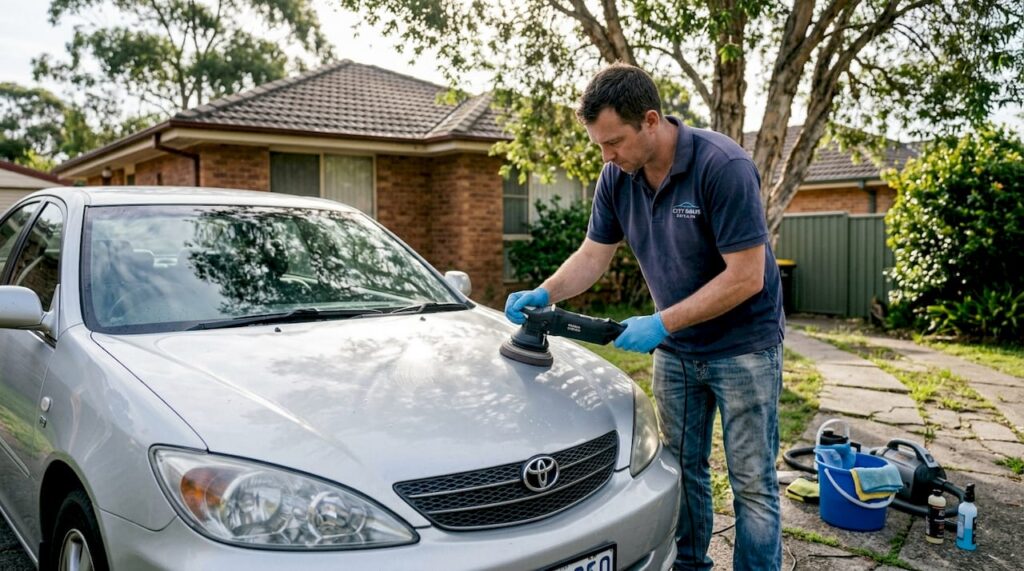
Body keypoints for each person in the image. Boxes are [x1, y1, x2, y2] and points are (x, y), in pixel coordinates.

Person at [504, 63, 784, 570]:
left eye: (614, 142)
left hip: (744, 349)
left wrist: (661, 323)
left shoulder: (723, 166)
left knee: (752, 483)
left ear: (651, 120)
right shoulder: (618, 176)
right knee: (684, 471)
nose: (606, 156)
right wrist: (545, 293)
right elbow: (593, 255)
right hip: (677, 354)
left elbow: (748, 276)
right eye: (599, 146)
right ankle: (692, 565)